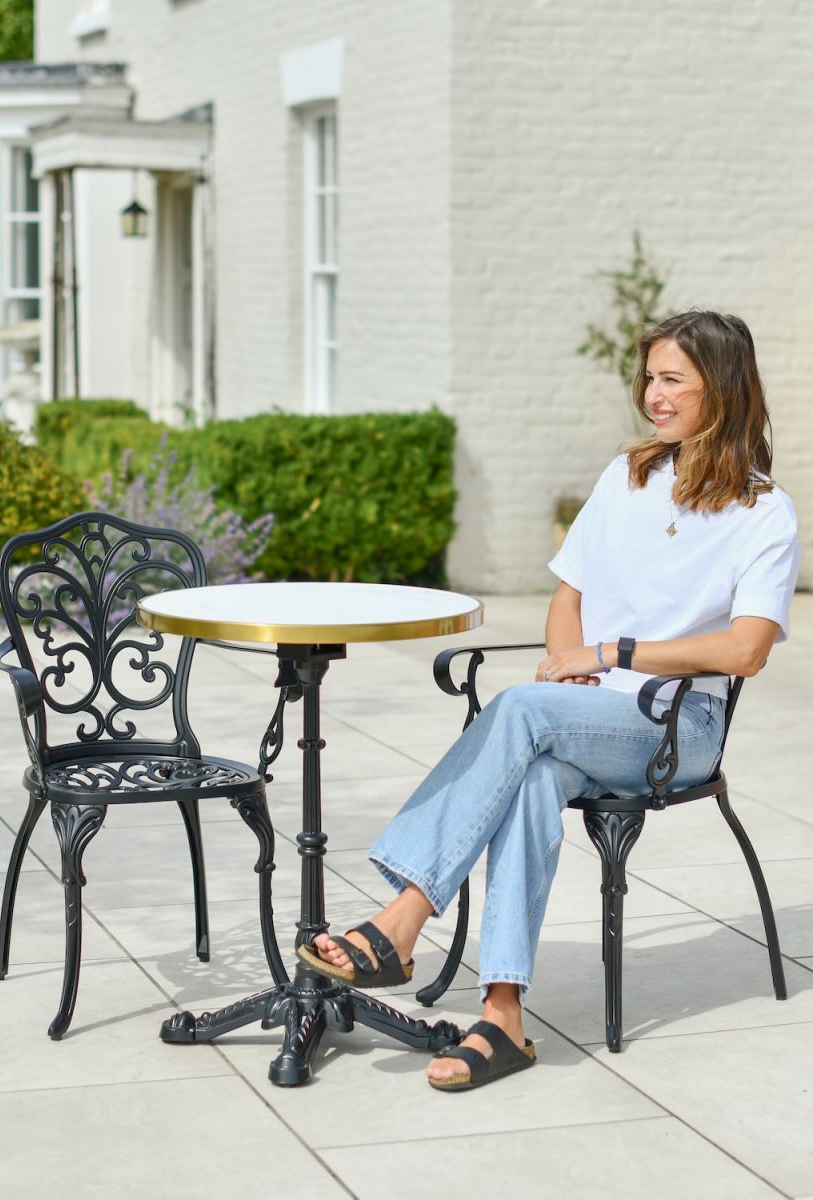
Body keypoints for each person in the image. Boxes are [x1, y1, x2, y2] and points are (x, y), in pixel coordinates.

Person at [297, 310, 801, 1092]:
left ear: (723, 390)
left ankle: (403, 919)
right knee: (529, 773)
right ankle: (501, 1018)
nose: (653, 396)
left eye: (674, 381)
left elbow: (747, 650)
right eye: (650, 378)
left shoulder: (762, 510)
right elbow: (568, 595)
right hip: (590, 714)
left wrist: (612, 655)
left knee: (520, 713)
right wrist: (570, 662)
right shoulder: (627, 475)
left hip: (679, 724)